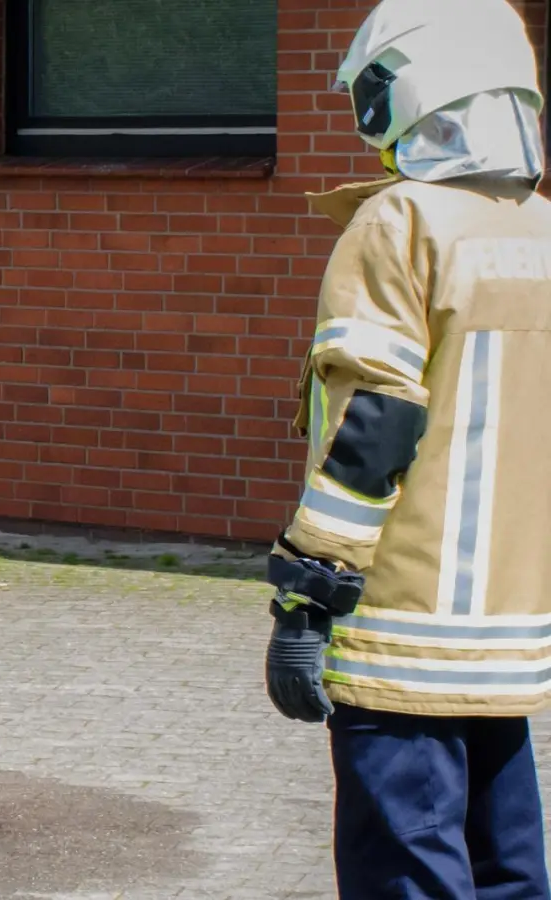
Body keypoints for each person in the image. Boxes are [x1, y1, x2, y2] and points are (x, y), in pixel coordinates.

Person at [261, 0, 551, 894]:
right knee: (509, 870)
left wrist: (309, 596)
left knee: (408, 874)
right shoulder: (537, 228)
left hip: (400, 634)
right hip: (509, 643)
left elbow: (374, 424)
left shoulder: (400, 226)